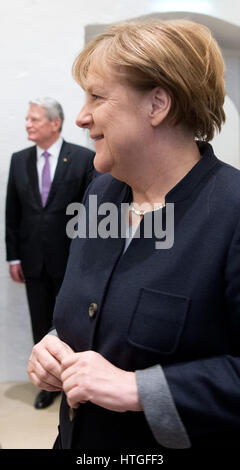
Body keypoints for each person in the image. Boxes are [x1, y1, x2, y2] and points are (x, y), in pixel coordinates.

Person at [27, 20, 240, 450]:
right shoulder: (100, 193)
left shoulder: (232, 212)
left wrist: (139, 390)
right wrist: (52, 345)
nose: (82, 116)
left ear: (157, 104)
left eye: (97, 96)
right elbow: (94, 308)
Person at [6, 97, 95, 409]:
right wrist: (13, 257)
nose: (27, 124)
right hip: (32, 261)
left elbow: (91, 214)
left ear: (54, 123)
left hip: (74, 262)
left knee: (74, 325)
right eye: (28, 119)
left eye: (34, 119)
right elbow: (12, 213)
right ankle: (48, 385)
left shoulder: (83, 159)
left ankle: (76, 384)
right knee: (40, 323)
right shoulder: (19, 160)